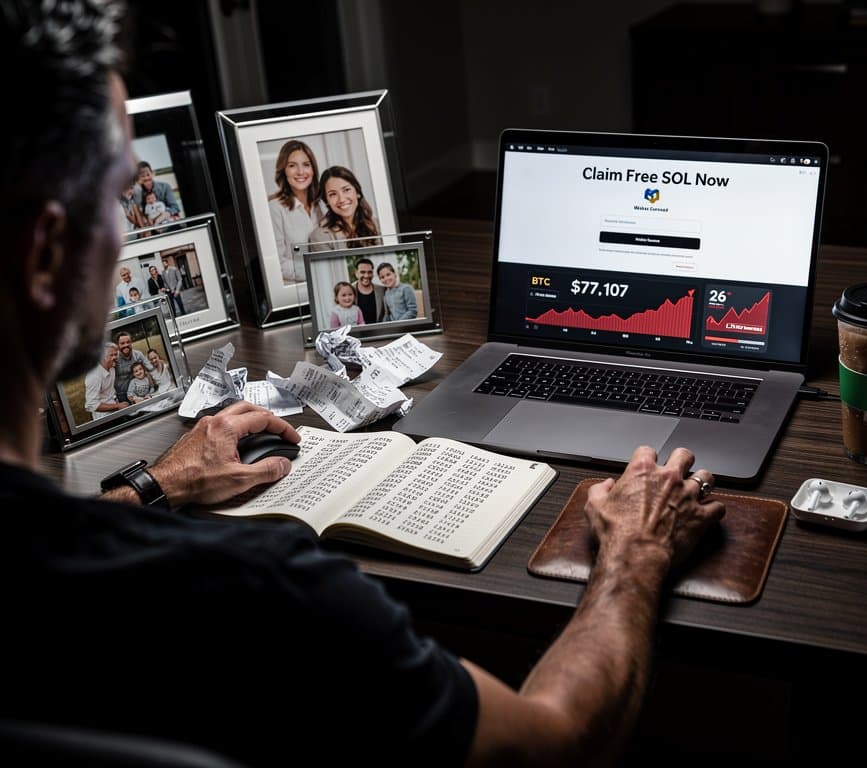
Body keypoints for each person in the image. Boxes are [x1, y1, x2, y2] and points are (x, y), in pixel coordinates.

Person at [0, 3, 725, 764]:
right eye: (118, 194)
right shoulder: (266, 598)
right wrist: (635, 555)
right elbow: (556, 744)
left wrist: (149, 487)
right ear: (46, 255)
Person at [267, 139, 321, 284]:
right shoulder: (275, 208)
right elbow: (276, 263)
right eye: (292, 166)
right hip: (297, 290)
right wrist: (317, 271)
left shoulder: (322, 204)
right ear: (284, 170)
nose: (301, 172)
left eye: (306, 165)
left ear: (313, 169)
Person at [309, 165, 382, 249]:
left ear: (357, 192)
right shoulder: (320, 237)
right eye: (333, 194)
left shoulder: (379, 226)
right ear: (327, 201)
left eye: (346, 190)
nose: (341, 199)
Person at [84, 342, 130, 420]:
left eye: (116, 354)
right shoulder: (94, 376)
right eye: (111, 355)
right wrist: (118, 406)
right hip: (104, 417)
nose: (115, 357)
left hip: (115, 405)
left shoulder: (112, 366)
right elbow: (91, 405)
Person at [113, 331, 153, 403]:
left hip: (140, 393)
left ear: (131, 343)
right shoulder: (115, 359)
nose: (126, 345)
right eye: (122, 343)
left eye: (128, 342)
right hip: (121, 396)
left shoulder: (138, 354)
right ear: (117, 345)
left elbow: (151, 368)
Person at [353, 256, 385, 324]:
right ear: (356, 273)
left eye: (369, 272)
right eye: (362, 272)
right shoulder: (349, 290)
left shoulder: (382, 290)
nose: (366, 275)